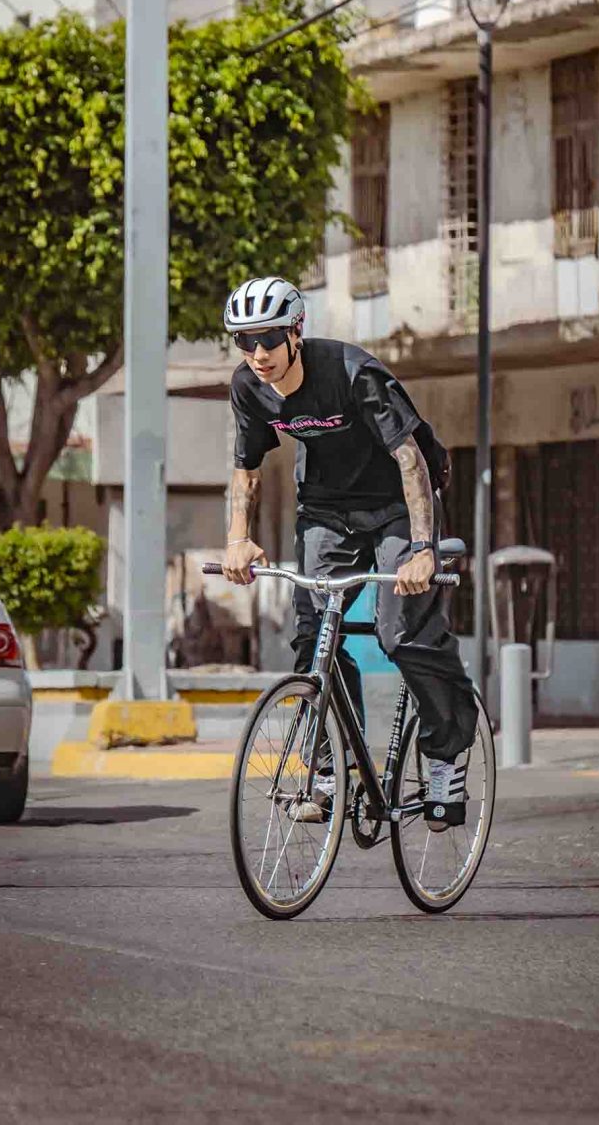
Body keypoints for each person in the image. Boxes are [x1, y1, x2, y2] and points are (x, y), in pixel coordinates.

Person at [221, 275, 478, 831]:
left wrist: (420, 550)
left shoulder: (351, 372)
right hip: (326, 510)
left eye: (268, 338)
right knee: (314, 636)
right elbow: (246, 468)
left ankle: (444, 756)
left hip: (396, 505)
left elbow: (411, 460)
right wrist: (237, 539)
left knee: (401, 633)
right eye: (245, 342)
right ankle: (332, 772)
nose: (258, 354)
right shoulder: (249, 387)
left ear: (295, 332)